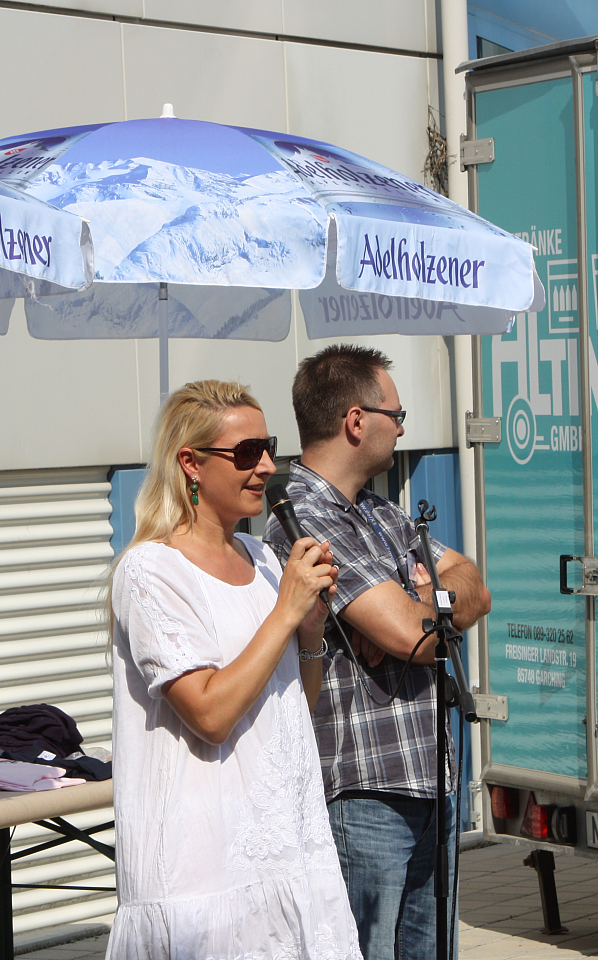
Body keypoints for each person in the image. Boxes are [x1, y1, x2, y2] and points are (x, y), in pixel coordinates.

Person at [105, 380, 363, 960]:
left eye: (268, 448)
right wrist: (285, 612)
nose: (266, 466)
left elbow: (295, 705)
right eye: (246, 452)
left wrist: (311, 632)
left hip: (289, 855)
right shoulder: (151, 571)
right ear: (191, 463)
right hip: (203, 872)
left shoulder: (265, 558)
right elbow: (210, 714)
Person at [264, 344, 492, 960]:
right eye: (397, 415)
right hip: (364, 792)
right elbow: (412, 636)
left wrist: (418, 602)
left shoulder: (380, 512)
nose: (402, 428)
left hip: (427, 779)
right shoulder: (301, 518)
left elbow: (474, 585)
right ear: (356, 421)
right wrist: (416, 610)